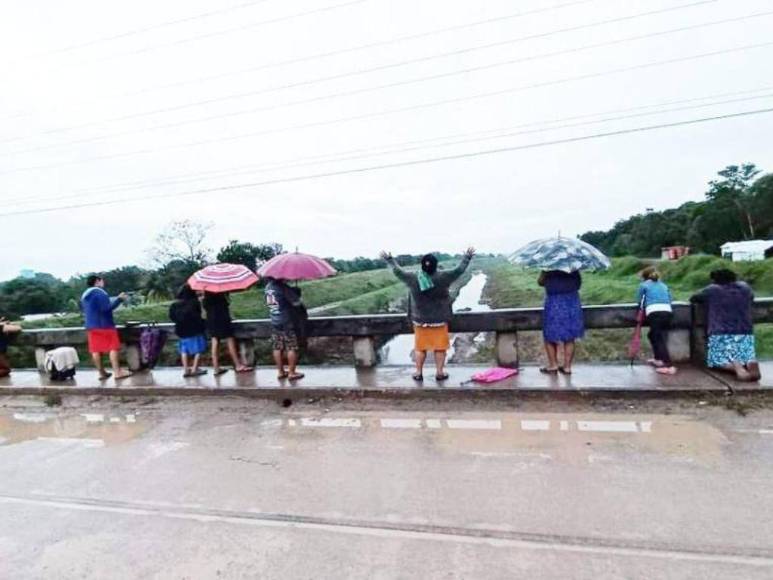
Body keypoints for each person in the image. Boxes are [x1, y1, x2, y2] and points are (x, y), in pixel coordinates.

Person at [380, 248, 475, 381]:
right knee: (440, 348)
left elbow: (398, 272)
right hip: (439, 320)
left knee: (420, 348)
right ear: (436, 265)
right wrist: (467, 257)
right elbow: (459, 270)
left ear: (422, 265)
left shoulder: (412, 278)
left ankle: (418, 373)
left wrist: (390, 260)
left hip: (420, 321)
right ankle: (440, 373)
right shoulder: (444, 277)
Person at [691, 269, 761, 382]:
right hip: (745, 331)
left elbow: (694, 298)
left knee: (716, 361)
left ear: (714, 280)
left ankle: (736, 367)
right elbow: (751, 297)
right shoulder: (745, 288)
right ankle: (750, 363)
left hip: (720, 332)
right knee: (745, 356)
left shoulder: (712, 290)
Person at [80, 275, 132, 380]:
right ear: (97, 281)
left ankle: (101, 373)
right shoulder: (100, 293)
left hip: (91, 326)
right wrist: (119, 299)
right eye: (102, 280)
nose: (103, 282)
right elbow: (106, 309)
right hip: (105, 325)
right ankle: (117, 372)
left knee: (96, 349)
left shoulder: (85, 296)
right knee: (113, 347)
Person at [538, 270, 584, 375]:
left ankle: (553, 365)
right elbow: (578, 284)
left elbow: (540, 282)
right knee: (569, 336)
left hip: (554, 302)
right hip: (572, 302)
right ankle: (567, 367)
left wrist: (544, 273)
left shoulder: (548, 268)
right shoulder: (573, 268)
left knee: (549, 335)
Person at [636, 267, 677, 375]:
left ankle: (669, 366)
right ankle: (658, 359)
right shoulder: (663, 285)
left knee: (658, 338)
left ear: (644, 277)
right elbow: (670, 298)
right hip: (667, 312)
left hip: (654, 313)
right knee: (652, 335)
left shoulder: (643, 285)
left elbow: (640, 301)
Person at [264, 278, 305, 381]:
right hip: (287, 321)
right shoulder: (283, 287)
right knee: (291, 347)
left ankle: (281, 372)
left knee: (277, 347)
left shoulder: (268, 288)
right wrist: (296, 293)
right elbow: (297, 303)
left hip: (275, 321)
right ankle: (292, 372)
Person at [202, 292, 251, 375]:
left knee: (215, 343)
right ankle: (238, 365)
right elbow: (225, 306)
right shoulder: (221, 296)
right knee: (230, 341)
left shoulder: (206, 299)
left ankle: (216, 367)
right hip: (223, 320)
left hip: (211, 321)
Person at [169, 284, 208, 378]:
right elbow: (199, 315)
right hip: (195, 329)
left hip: (181, 330)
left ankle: (186, 370)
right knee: (199, 349)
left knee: (184, 350)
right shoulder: (194, 302)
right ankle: (195, 369)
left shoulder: (174, 305)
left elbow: (172, 317)